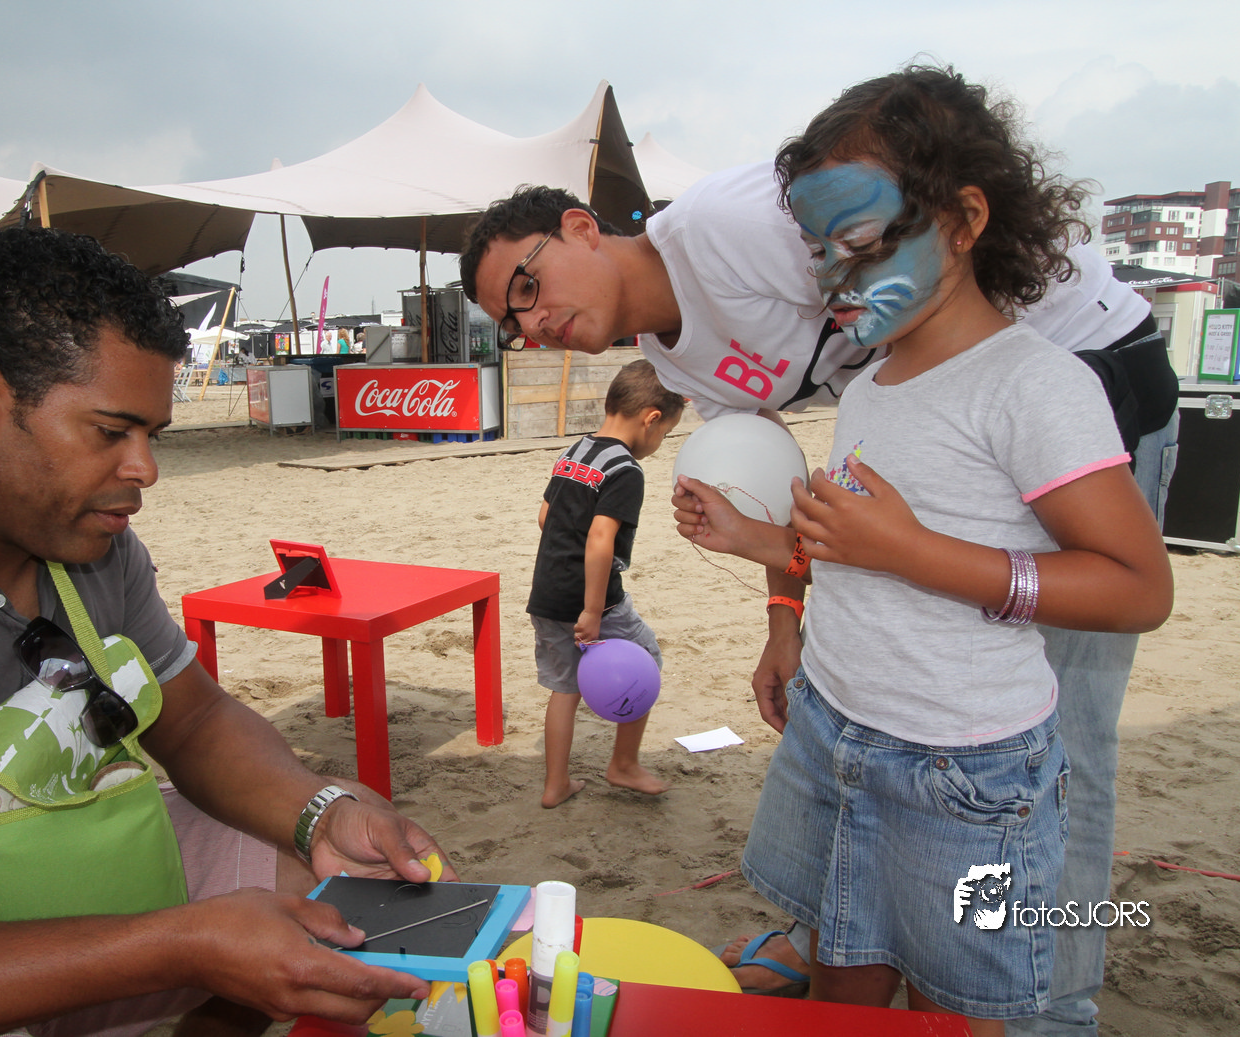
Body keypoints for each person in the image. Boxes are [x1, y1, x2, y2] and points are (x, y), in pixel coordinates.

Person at [458, 78, 1178, 1030]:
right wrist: (779, 608)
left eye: (526, 286)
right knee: (858, 915)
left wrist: (911, 550)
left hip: (1081, 368)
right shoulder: (778, 372)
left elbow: (1125, 583)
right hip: (865, 701)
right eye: (509, 323)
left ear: (582, 229)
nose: (529, 322)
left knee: (1062, 753)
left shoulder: (742, 230)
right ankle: (848, 942)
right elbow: (830, 509)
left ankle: (1051, 1002)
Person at [0, 226, 451, 1037]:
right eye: (109, 431)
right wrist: (173, 947)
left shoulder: (88, 539)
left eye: (152, 435)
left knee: (342, 878)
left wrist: (320, 812)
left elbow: (194, 721)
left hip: (68, 880)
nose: (144, 470)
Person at [671, 66, 1173, 1033]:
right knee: (840, 987)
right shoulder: (870, 384)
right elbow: (860, 552)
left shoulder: (1034, 386)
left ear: (964, 217)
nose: (834, 275)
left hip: (964, 778)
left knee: (948, 1010)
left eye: (860, 244)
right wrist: (757, 542)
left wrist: (911, 550)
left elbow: (1136, 587)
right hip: (836, 733)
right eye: (818, 250)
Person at [528, 358, 685, 807]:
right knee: (646, 659)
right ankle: (624, 764)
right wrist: (593, 610)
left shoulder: (575, 451)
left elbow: (545, 516)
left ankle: (556, 784)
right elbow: (601, 538)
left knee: (564, 687)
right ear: (651, 419)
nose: (660, 441)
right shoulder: (625, 470)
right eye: (666, 433)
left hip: (547, 593)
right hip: (596, 601)